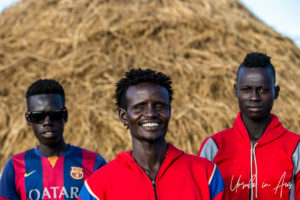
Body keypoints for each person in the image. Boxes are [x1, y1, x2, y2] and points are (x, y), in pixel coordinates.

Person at [78, 68, 225, 200]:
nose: (150, 113)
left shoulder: (206, 174)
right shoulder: (97, 187)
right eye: (139, 107)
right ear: (124, 116)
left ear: (169, 112)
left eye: (159, 106)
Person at [198, 52, 300, 200]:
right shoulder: (214, 147)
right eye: (247, 89)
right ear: (236, 90)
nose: (254, 97)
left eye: (262, 90)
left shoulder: (295, 148)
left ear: (276, 92)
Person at [0, 79, 106, 200]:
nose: (47, 122)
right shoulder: (14, 167)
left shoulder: (94, 163)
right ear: (29, 119)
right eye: (38, 116)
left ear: (64, 115)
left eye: (55, 115)